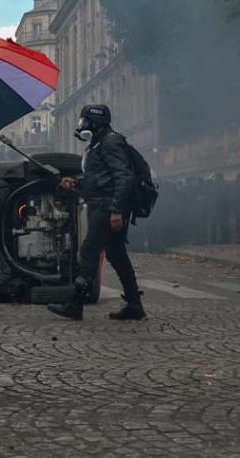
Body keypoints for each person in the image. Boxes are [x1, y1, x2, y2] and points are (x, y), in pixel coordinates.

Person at [48, 105, 145, 321]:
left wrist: (116, 210)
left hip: (106, 207)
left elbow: (123, 177)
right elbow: (100, 179)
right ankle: (134, 305)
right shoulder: (99, 143)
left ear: (95, 123)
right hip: (103, 204)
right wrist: (76, 183)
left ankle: (75, 305)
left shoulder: (110, 142)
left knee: (90, 251)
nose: (81, 126)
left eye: (85, 122)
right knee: (116, 254)